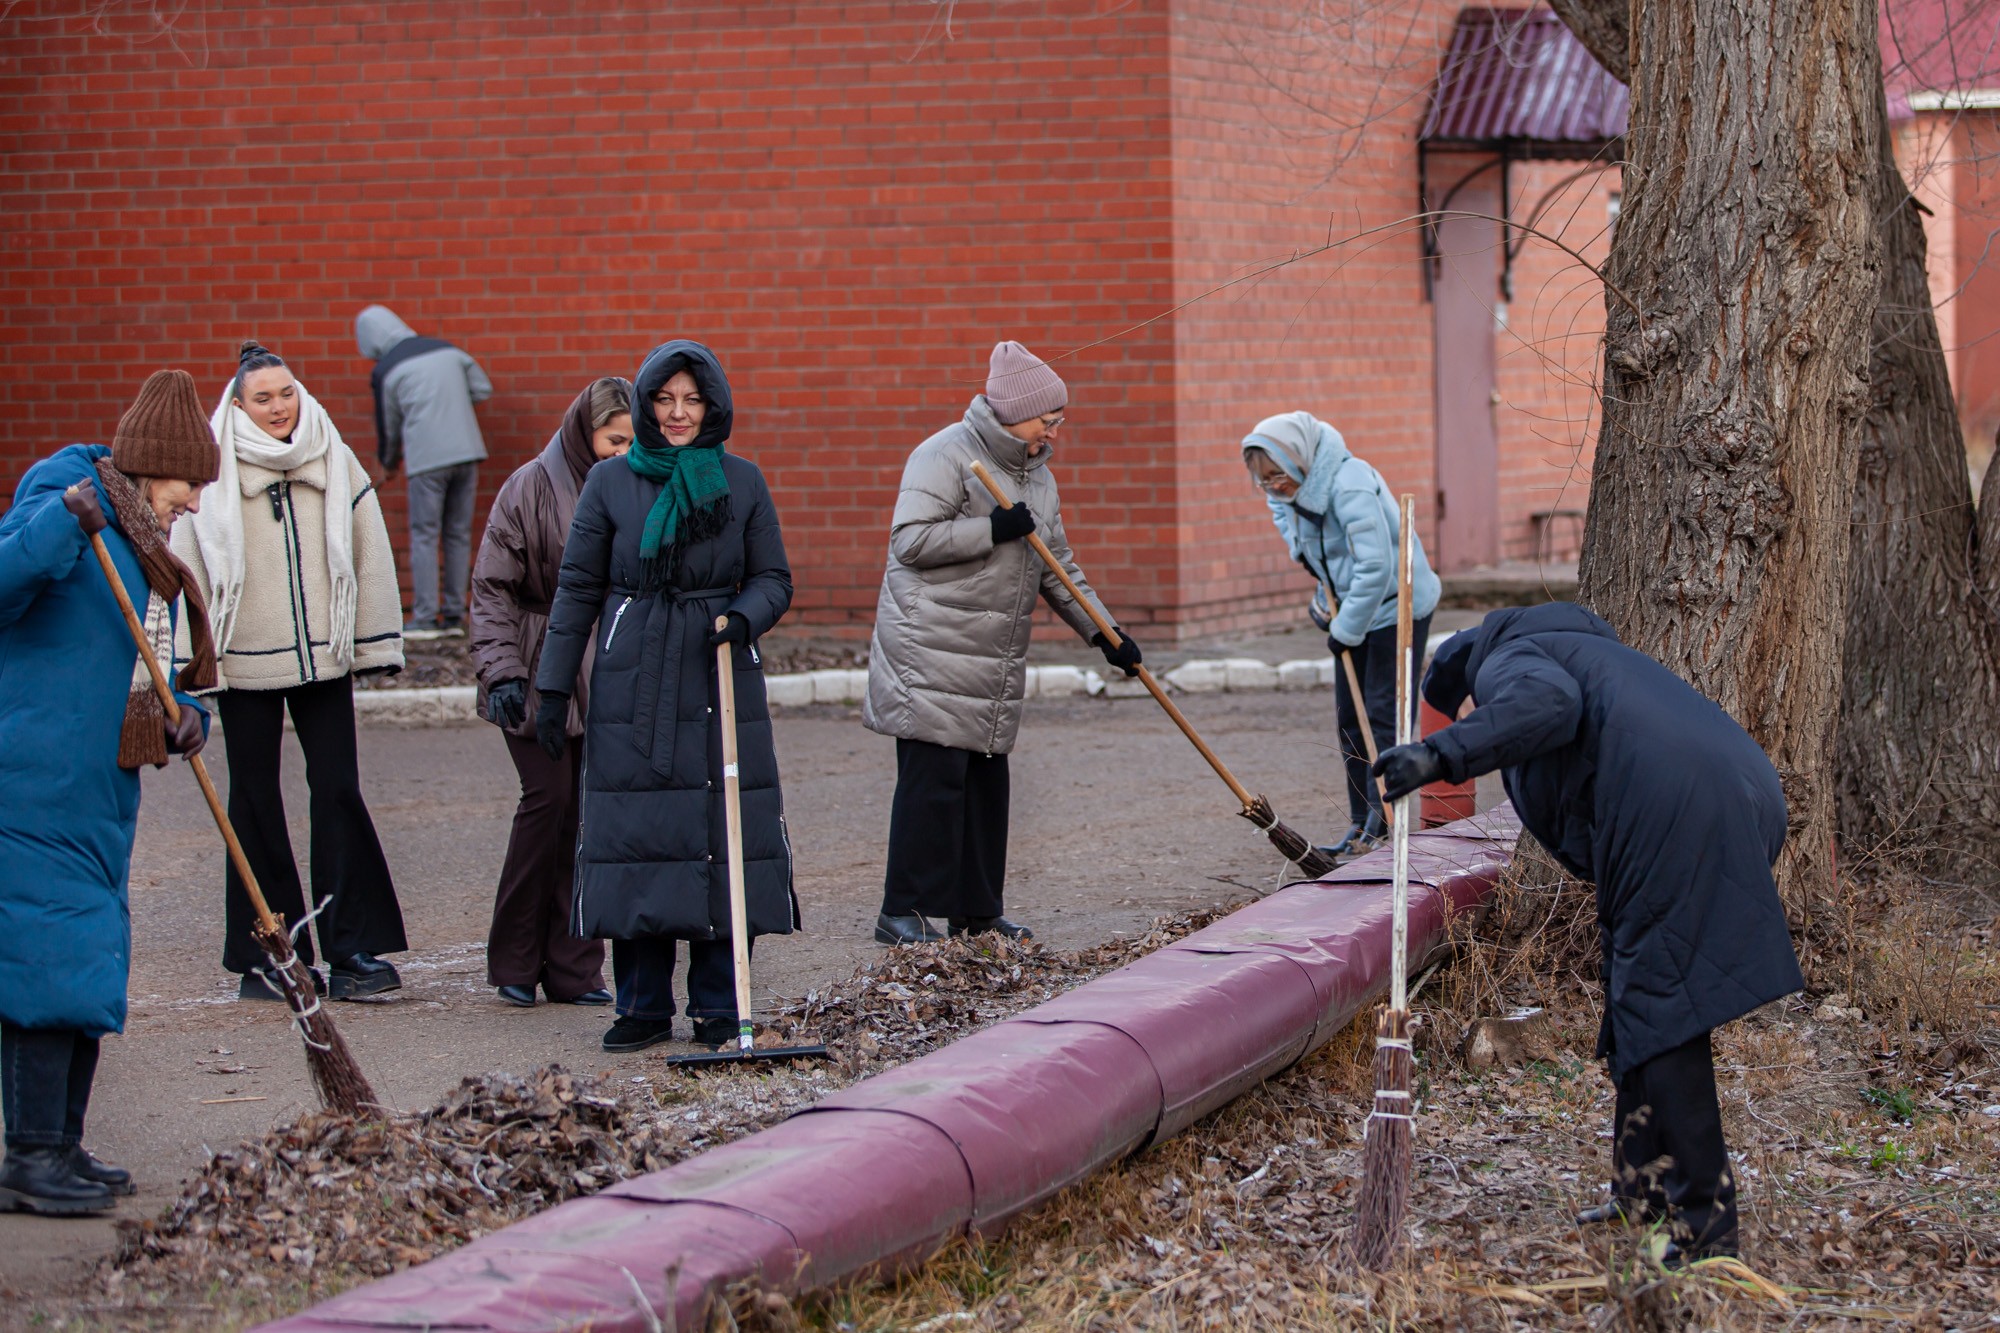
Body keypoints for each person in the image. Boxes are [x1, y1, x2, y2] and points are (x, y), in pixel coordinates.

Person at [1373, 602, 1803, 1263]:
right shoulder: (1581, 649)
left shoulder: (1512, 656)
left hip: (1675, 815)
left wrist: (1438, 753)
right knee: (1642, 1002)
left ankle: (1706, 1230)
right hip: (1730, 796)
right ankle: (1641, 1190)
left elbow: (1547, 704)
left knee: (1664, 1015)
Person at [534, 341, 797, 1053]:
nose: (678, 413)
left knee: (719, 837)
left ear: (712, 407)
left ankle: (719, 1005)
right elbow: (578, 588)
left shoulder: (742, 482)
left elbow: (774, 577)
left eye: (692, 400)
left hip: (717, 671)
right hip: (632, 677)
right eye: (664, 399)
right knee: (637, 840)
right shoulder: (611, 482)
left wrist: (742, 615)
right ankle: (642, 1005)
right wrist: (553, 686)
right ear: (647, 404)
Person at [0, 371, 218, 1214]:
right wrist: (61, 523)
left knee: (84, 964)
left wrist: (182, 712)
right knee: (44, 963)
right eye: (187, 484)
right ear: (150, 466)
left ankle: (61, 1145)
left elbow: (140, 659)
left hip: (97, 789)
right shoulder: (63, 500)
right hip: (32, 782)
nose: (194, 503)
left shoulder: (137, 543)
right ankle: (27, 1155)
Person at [862, 341, 1142, 946]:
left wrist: (1105, 632)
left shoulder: (1037, 477)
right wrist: (990, 528)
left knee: (986, 785)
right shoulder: (943, 456)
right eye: (1049, 420)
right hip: (932, 647)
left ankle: (977, 911)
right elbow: (909, 542)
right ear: (1015, 410)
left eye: (1058, 421)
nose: (1055, 433)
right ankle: (901, 910)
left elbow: (1057, 566)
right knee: (933, 784)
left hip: (990, 656)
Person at [173, 342, 409, 1002]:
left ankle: (350, 947)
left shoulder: (330, 451)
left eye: (286, 393)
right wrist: (186, 659)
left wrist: (370, 641)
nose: (278, 407)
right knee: (252, 799)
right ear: (238, 404)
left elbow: (365, 542)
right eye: (263, 397)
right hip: (241, 657)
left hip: (323, 654)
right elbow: (185, 558)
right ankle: (268, 954)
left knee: (337, 788)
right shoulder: (213, 469)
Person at [468, 377, 633, 1009]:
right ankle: (513, 958)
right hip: (538, 667)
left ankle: (574, 968)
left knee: (589, 820)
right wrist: (502, 673)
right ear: (583, 432)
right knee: (547, 803)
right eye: (612, 439)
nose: (621, 452)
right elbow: (492, 590)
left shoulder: (635, 486)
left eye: (630, 442)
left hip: (610, 668)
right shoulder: (529, 485)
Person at [1241, 412, 1439, 855]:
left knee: (1383, 713)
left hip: (1396, 605)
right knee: (1351, 717)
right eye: (1262, 481)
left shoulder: (1348, 485)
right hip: (1351, 607)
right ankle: (1361, 822)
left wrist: (1346, 628)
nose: (1273, 486)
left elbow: (1376, 567)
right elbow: (1319, 554)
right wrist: (1323, 601)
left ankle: (1388, 820)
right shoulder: (1295, 494)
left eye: (1278, 475)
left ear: (1301, 460)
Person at [354, 304, 493, 638]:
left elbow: (388, 425)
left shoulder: (387, 369)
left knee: (425, 534)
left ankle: (426, 616)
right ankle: (456, 613)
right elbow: (482, 389)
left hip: (427, 461)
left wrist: (387, 464)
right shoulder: (447, 349)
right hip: (468, 451)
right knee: (458, 533)